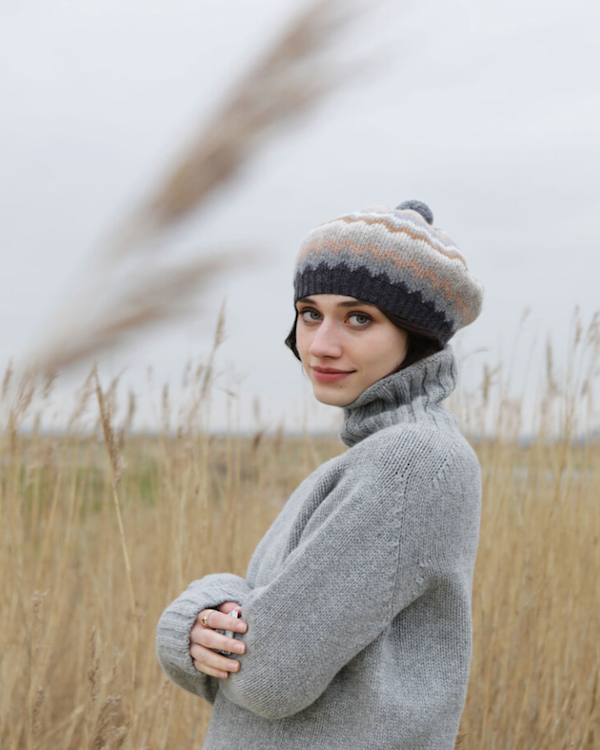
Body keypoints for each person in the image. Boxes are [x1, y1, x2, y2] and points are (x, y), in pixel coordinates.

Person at [156, 199, 485, 749]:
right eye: (310, 312)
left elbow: (266, 677)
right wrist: (220, 619)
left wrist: (199, 605)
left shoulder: (410, 462)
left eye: (360, 318)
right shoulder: (380, 454)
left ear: (419, 334)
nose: (321, 345)